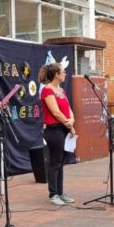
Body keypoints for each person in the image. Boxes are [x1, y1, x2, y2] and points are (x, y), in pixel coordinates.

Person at [39, 62, 75, 206]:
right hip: (54, 130)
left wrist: (72, 120)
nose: (65, 74)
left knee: (61, 162)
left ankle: (60, 192)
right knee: (55, 162)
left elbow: (69, 109)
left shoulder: (61, 90)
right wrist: (69, 124)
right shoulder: (47, 90)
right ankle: (53, 193)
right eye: (63, 72)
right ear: (56, 75)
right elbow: (55, 112)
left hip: (65, 128)